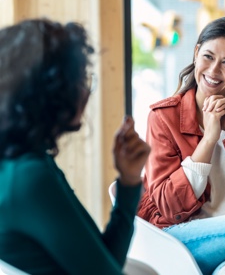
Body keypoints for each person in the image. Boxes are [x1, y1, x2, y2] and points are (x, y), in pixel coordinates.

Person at [0, 18, 151, 274]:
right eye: (82, 80)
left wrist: (129, 180)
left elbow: (106, 260)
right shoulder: (30, 178)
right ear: (54, 92)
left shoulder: (21, 163)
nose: (86, 91)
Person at [137, 16, 225, 275]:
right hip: (178, 238)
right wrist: (209, 139)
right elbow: (169, 207)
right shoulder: (163, 118)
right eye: (208, 56)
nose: (214, 71)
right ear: (195, 53)